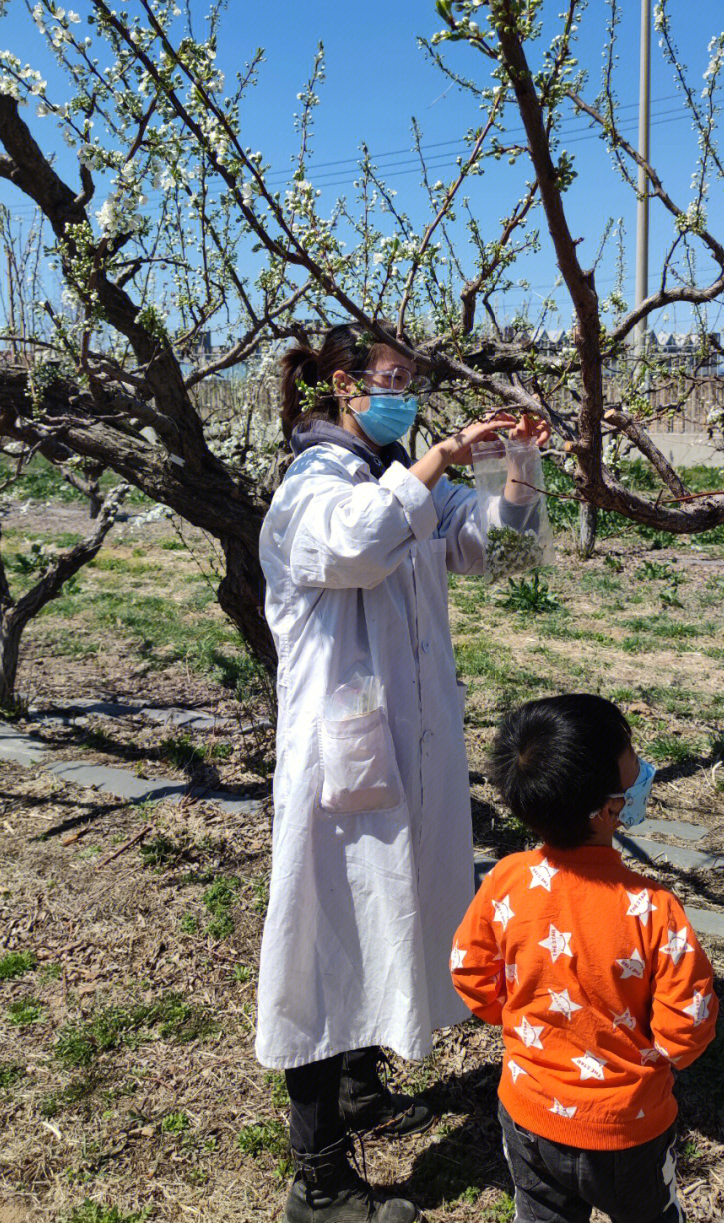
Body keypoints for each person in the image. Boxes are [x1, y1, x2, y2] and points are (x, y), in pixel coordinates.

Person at [256, 322, 550, 1223]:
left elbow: (505, 552)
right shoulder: (312, 487)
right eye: (394, 379)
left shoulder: (406, 482)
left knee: (383, 916)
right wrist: (433, 464)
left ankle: (356, 1087)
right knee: (322, 940)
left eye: (415, 382)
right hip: (337, 764)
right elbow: (354, 545)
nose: (408, 394)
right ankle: (320, 1179)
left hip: (402, 751)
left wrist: (518, 468)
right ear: (344, 385)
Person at [450, 694, 717, 1223]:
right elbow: (687, 1027)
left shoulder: (504, 881)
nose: (639, 762)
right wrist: (656, 1057)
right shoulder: (653, 910)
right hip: (628, 1129)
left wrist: (525, 1026)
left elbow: (470, 974)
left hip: (526, 1114)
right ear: (609, 808)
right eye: (629, 753)